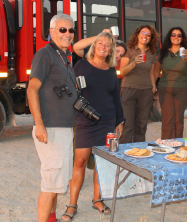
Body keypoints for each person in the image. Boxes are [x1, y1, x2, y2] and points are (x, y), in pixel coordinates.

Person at [62, 32, 125, 221]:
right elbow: (76, 46)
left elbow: (115, 97)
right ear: (94, 44)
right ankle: (72, 203)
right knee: (80, 161)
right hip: (84, 119)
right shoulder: (81, 63)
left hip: (106, 120)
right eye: (100, 43)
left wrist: (119, 120)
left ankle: (97, 199)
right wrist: (100, 35)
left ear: (111, 50)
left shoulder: (111, 69)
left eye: (107, 45)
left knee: (101, 163)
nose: (103, 47)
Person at [27, 14, 78, 222]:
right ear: (51, 31)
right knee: (50, 184)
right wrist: (39, 124)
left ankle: (51, 219)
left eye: (71, 30)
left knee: (58, 182)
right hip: (51, 128)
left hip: (64, 128)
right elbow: (32, 90)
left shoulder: (64, 57)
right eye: (62, 30)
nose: (67, 34)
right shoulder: (45, 54)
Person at [153, 27, 187, 139]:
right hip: (165, 88)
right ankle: (167, 145)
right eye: (173, 35)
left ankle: (178, 144)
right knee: (167, 119)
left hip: (181, 88)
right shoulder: (163, 52)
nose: (176, 37)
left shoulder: (186, 52)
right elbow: (156, 71)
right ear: (169, 37)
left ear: (182, 38)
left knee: (178, 120)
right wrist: (153, 86)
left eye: (179, 35)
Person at [119, 25, 159, 143]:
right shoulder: (129, 49)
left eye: (148, 35)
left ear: (151, 38)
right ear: (137, 34)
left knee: (141, 126)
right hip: (129, 90)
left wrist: (153, 87)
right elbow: (122, 71)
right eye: (143, 33)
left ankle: (139, 153)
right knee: (128, 126)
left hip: (146, 91)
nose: (145, 36)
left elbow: (151, 73)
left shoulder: (152, 53)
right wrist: (134, 63)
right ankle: (124, 156)